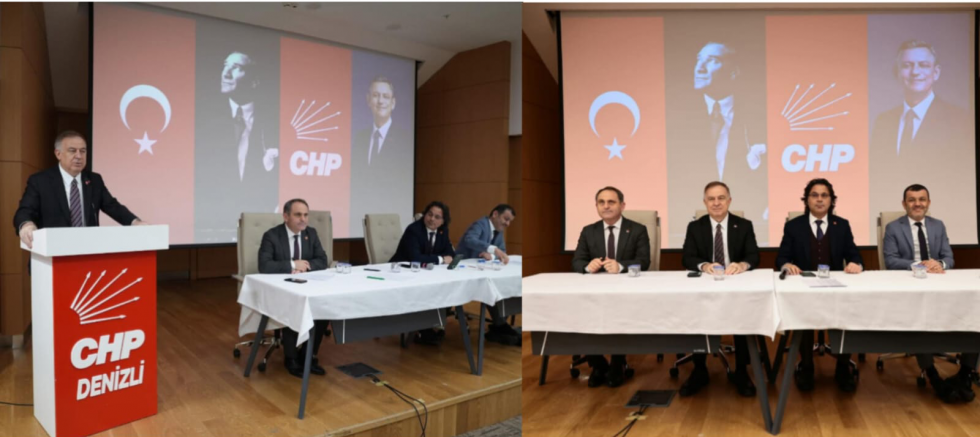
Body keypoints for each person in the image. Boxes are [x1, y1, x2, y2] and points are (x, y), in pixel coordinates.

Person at [667, 41, 768, 246]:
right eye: (698, 60)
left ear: (733, 71)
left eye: (712, 60)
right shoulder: (679, 119)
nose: (700, 68)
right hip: (689, 226)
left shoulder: (759, 116)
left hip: (753, 221)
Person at [882, 183, 976, 403]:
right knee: (919, 322)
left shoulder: (938, 225)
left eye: (922, 199)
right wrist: (920, 265)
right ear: (904, 204)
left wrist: (939, 264)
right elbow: (891, 261)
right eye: (912, 200)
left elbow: (949, 258)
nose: (917, 204)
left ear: (928, 203)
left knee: (974, 309)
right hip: (910, 284)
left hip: (939, 282)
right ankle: (933, 375)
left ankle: (966, 373)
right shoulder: (893, 227)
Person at [870, 40, 972, 239]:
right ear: (898, 72)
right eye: (907, 65)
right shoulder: (884, 121)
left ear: (936, 72)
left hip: (943, 224)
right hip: (894, 227)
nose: (915, 72)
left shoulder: (958, 119)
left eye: (923, 65)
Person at [775, 178, 862, 392]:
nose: (820, 199)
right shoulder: (794, 226)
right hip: (804, 288)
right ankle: (806, 367)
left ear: (832, 200)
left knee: (845, 316)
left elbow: (854, 255)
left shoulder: (841, 225)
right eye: (814, 195)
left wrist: (856, 264)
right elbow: (782, 258)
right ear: (806, 200)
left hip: (835, 287)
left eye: (824, 195)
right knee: (803, 317)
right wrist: (787, 265)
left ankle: (842, 368)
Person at [679, 181, 760, 397]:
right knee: (698, 315)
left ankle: (741, 371)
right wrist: (704, 265)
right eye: (711, 199)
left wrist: (742, 265)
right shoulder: (695, 227)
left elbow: (753, 256)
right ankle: (699, 370)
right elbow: (687, 257)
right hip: (706, 285)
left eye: (721, 198)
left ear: (729, 201)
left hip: (736, 285)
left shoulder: (744, 225)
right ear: (705, 202)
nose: (716, 203)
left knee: (742, 317)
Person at [195, 50, 279, 243]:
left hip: (261, 230)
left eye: (236, 68)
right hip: (211, 231)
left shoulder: (274, 123)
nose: (225, 73)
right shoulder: (206, 122)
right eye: (225, 66)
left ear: (254, 80)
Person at [571, 186, 651, 388]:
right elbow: (577, 261)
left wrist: (621, 266)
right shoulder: (589, 231)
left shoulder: (638, 229)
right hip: (595, 291)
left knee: (619, 315)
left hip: (626, 290)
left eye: (611, 202)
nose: (606, 206)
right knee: (583, 314)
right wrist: (587, 267)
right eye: (601, 202)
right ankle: (598, 365)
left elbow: (644, 261)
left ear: (622, 205)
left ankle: (617, 363)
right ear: (596, 206)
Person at [14, 131, 145, 248]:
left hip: (86, 252)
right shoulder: (40, 181)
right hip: (53, 252)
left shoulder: (94, 180)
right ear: (58, 154)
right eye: (72, 151)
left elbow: (112, 206)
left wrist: (135, 222)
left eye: (83, 151)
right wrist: (26, 225)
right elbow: (25, 211)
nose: (79, 156)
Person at [257, 198, 329, 378]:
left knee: (323, 307)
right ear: (286, 216)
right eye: (298, 215)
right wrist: (292, 264)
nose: (303, 219)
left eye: (305, 215)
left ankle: (308, 355)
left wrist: (304, 267)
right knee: (294, 306)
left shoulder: (311, 233)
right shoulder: (272, 235)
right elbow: (264, 265)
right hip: (281, 288)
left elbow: (322, 260)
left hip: (308, 285)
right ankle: (291, 358)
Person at [350, 76, 413, 235]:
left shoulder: (404, 139)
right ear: (368, 100)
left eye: (386, 96)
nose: (380, 101)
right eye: (376, 95)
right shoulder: (360, 137)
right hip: (359, 218)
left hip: (388, 222)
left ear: (393, 103)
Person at [390, 201, 456, 345]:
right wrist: (440, 259)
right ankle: (423, 328)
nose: (432, 219)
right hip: (403, 271)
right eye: (429, 214)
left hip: (427, 272)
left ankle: (433, 325)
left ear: (443, 221)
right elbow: (416, 258)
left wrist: (445, 258)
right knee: (426, 291)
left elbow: (450, 254)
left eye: (437, 217)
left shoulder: (443, 231)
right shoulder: (414, 230)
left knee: (448, 288)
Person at [457, 204, 519, 346]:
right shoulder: (480, 224)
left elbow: (502, 252)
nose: (507, 224)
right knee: (491, 288)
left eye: (510, 221)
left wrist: (491, 254)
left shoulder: (498, 231)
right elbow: (470, 240)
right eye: (506, 219)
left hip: (482, 271)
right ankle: (500, 325)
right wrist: (493, 250)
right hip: (463, 269)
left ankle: (499, 324)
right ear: (495, 214)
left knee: (497, 286)